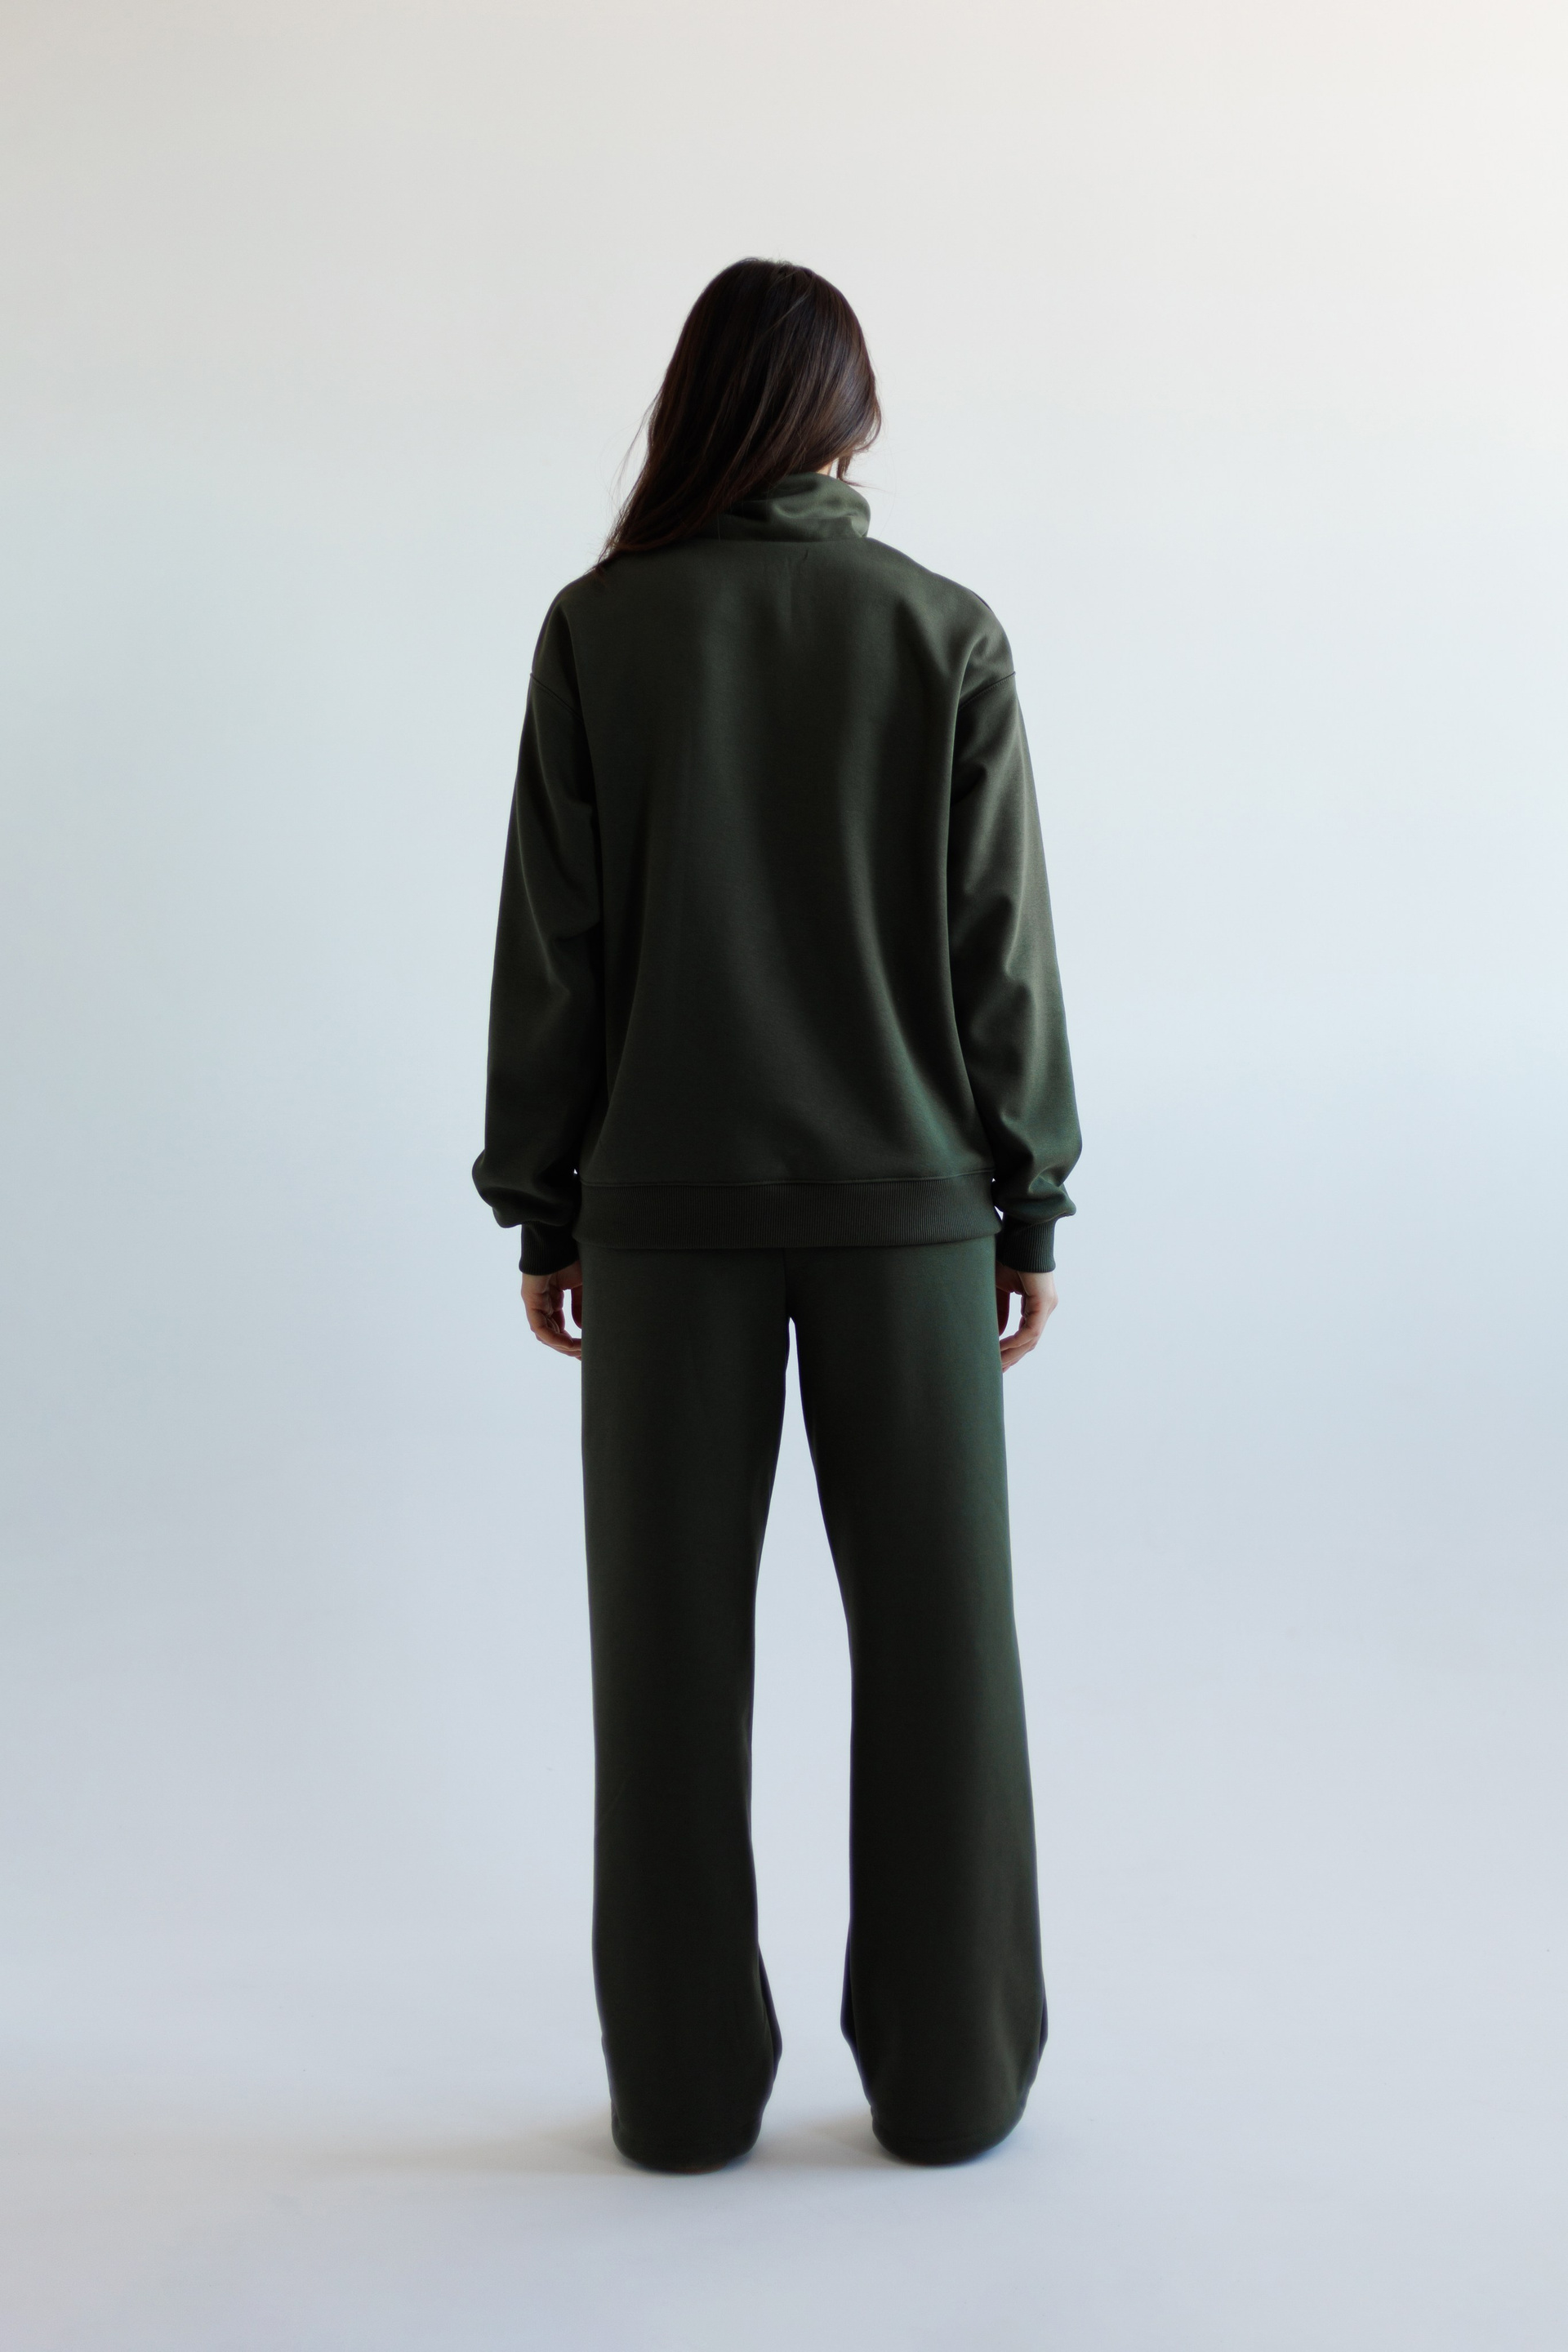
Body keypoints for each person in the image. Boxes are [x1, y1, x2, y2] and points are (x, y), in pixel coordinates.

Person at [473, 257, 1080, 2173]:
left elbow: (554, 953)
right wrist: (1029, 1199)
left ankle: (679, 2097)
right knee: (944, 1659)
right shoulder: (943, 632)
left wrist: (545, 1206)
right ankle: (953, 2085)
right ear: (847, 419)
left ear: (696, 411)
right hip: (914, 1220)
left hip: (662, 1223)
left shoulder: (600, 630)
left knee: (664, 1661)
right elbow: (999, 949)